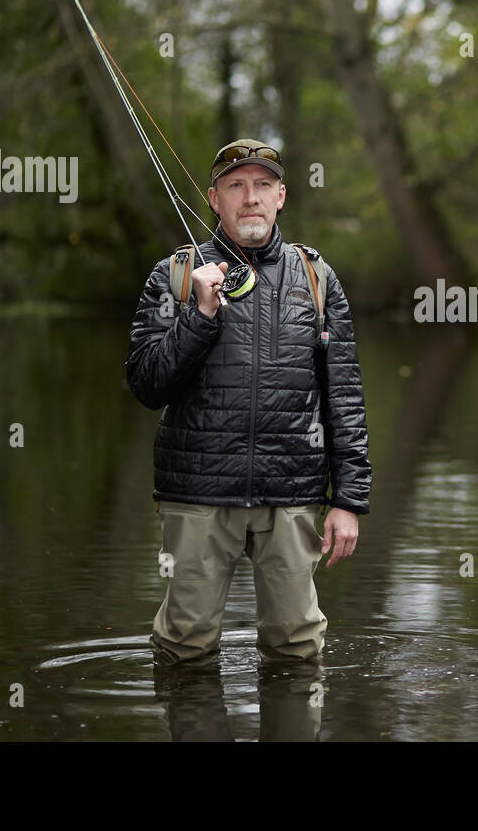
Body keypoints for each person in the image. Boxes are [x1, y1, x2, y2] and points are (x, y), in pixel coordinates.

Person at [126, 137, 371, 668]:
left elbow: (344, 396)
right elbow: (147, 385)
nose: (250, 197)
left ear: (281, 197)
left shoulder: (317, 278)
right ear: (214, 200)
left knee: (296, 648)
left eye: (262, 185)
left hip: (293, 492)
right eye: (236, 186)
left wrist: (348, 499)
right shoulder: (173, 275)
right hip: (196, 492)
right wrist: (199, 315)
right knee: (184, 648)